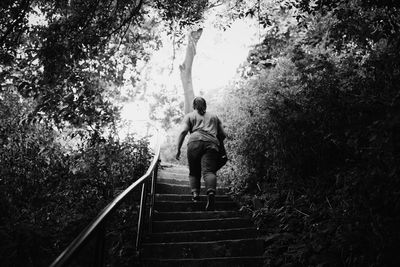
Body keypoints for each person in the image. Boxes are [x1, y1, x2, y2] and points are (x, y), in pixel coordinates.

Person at [176, 97, 226, 211]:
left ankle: (195, 195)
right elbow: (223, 134)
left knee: (194, 171)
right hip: (212, 143)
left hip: (194, 142)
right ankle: (211, 193)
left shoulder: (189, 116)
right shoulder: (214, 117)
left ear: (194, 106)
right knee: (209, 171)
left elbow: (183, 131)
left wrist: (178, 149)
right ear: (206, 105)